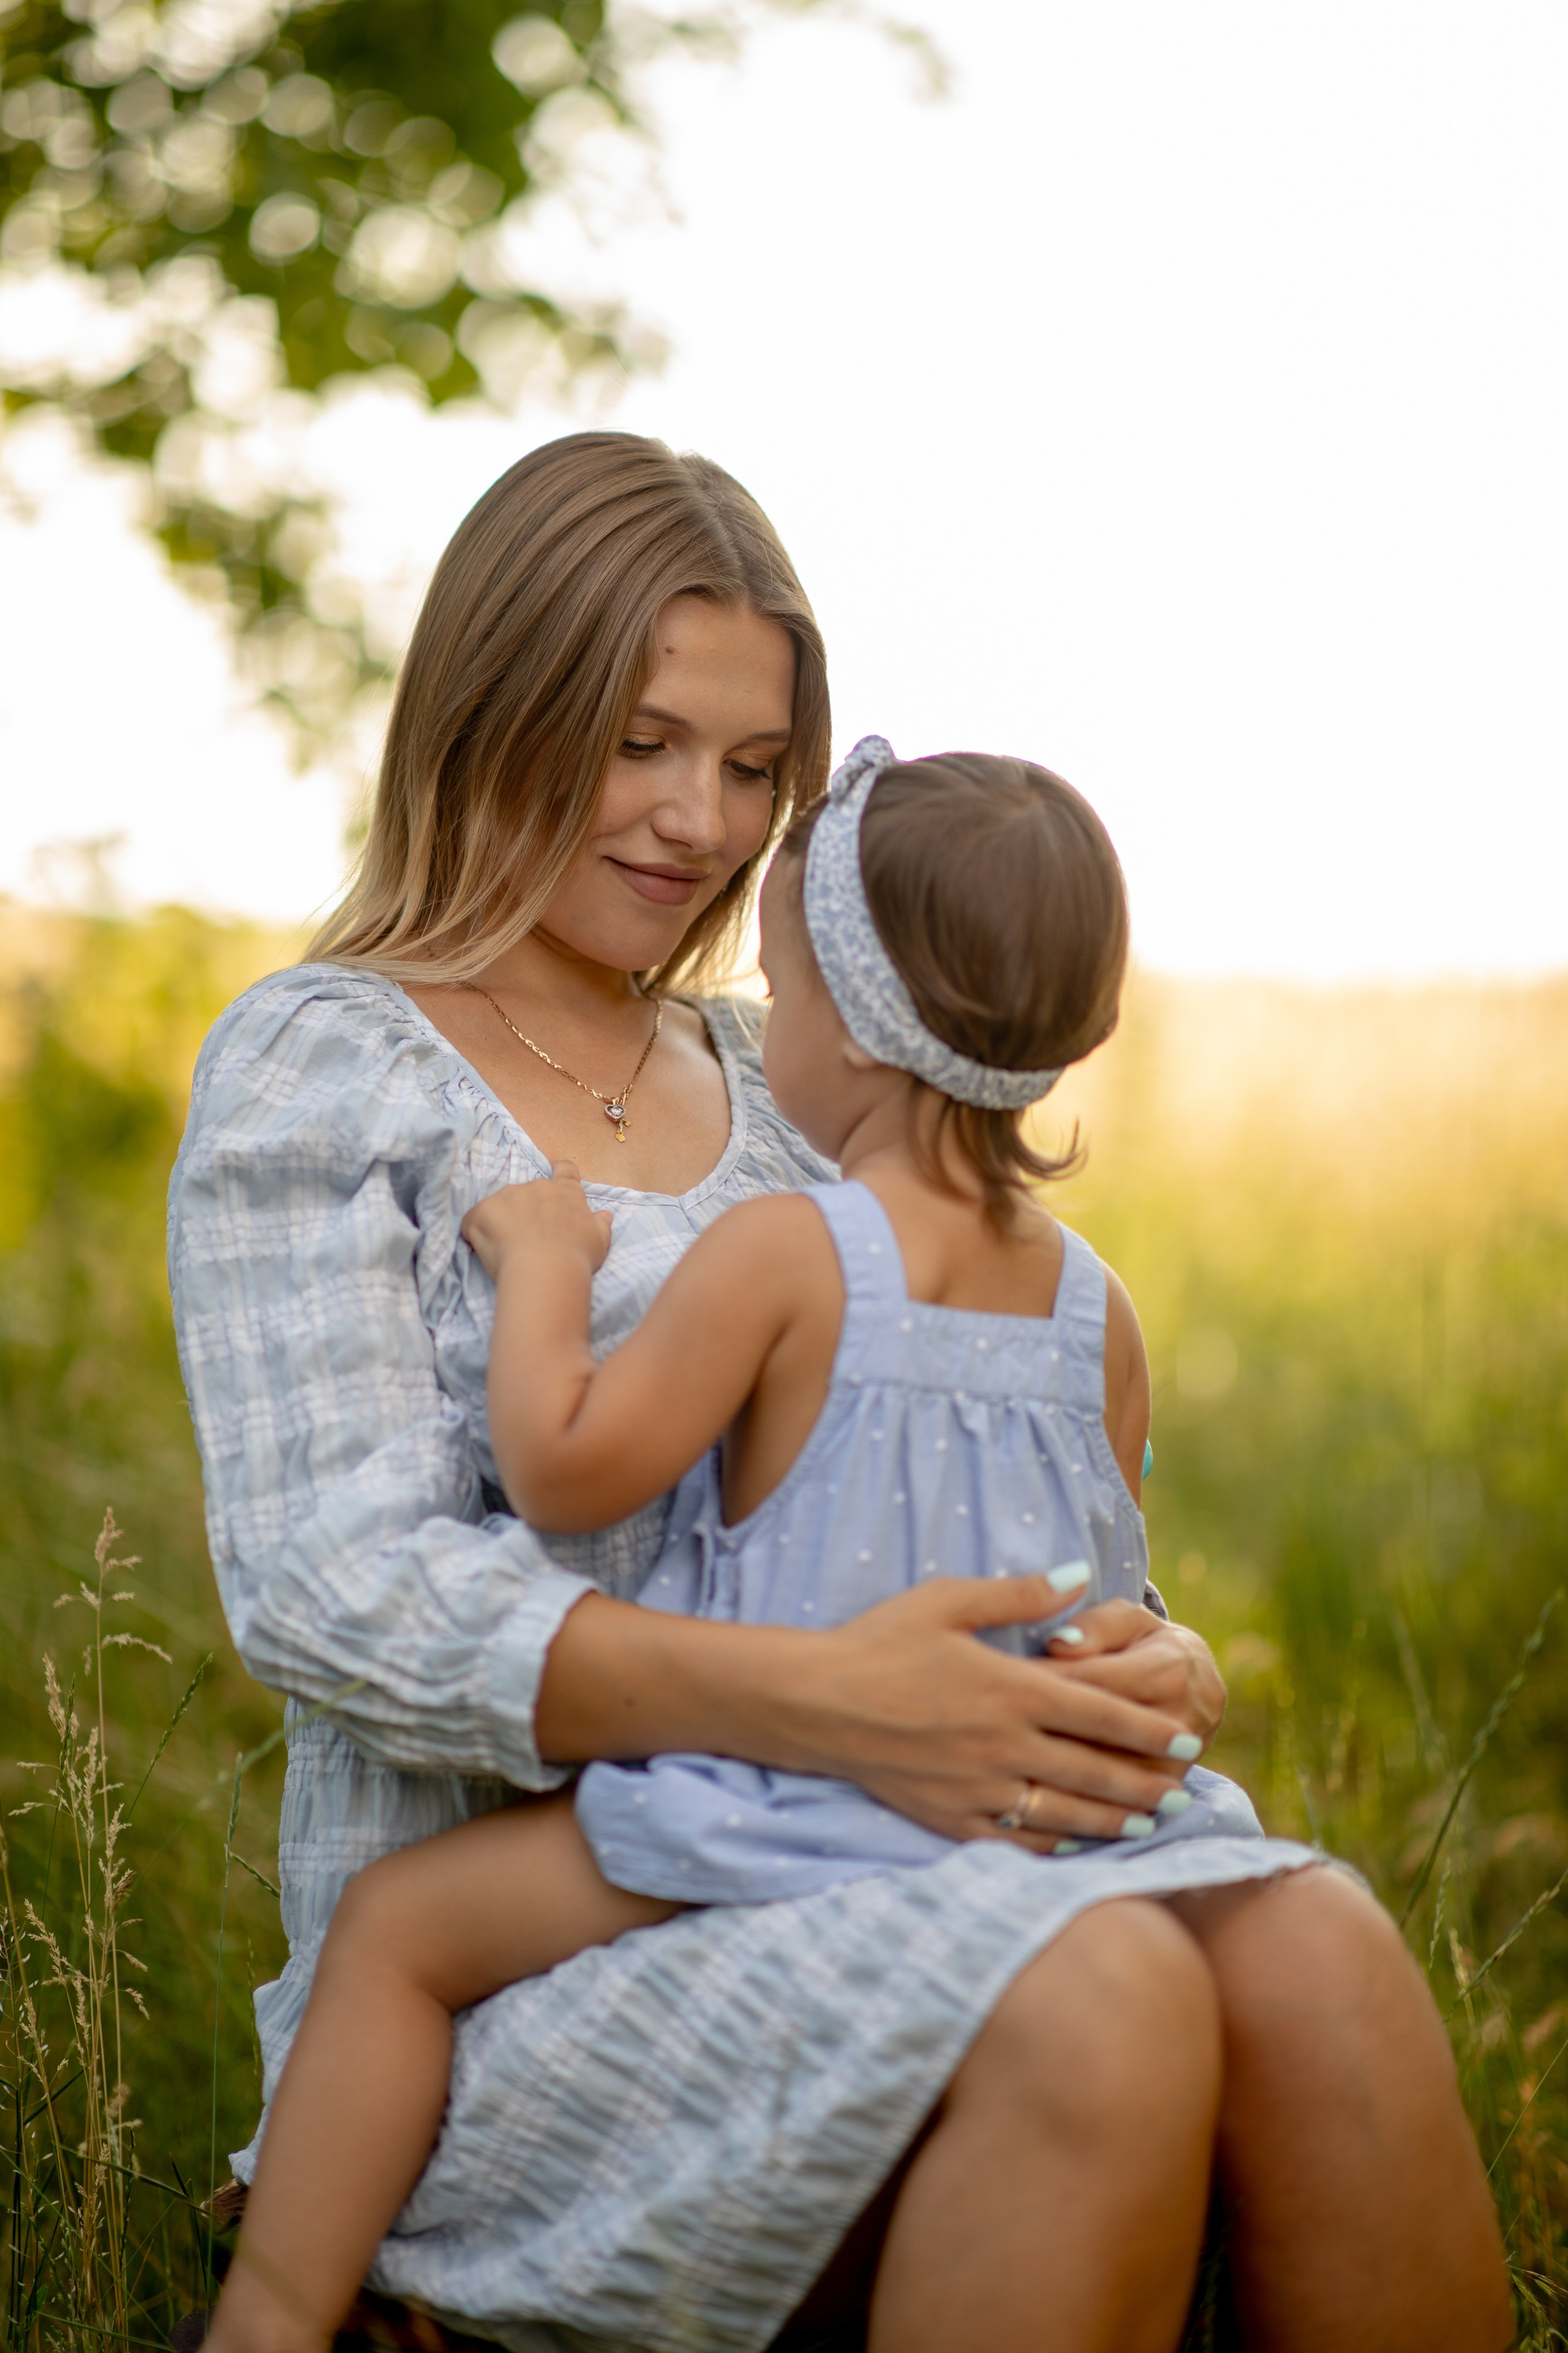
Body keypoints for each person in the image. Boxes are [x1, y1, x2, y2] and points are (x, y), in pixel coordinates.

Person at [171, 432, 1510, 2353]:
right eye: (639, 739)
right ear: (490, 707)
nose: (697, 821)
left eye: (749, 767)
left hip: (873, 1878)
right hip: (520, 1977)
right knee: (1111, 1990)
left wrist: (1135, 1661)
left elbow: (962, 1483)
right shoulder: (330, 1068)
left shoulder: (806, 1070)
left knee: (1324, 1949)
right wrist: (829, 1706)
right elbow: (336, 1592)